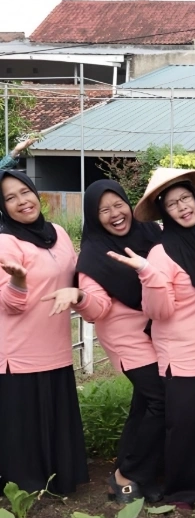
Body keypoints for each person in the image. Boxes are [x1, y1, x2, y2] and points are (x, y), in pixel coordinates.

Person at [111, 168, 195, 510]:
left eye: (185, 199)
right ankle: (179, 493)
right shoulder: (160, 254)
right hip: (181, 355)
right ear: (164, 212)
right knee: (184, 427)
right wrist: (148, 275)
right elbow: (159, 311)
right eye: (172, 204)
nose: (182, 207)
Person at [53, 180, 164, 504]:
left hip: (157, 330)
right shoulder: (93, 256)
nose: (115, 214)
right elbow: (97, 309)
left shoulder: (148, 233)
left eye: (119, 204)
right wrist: (79, 295)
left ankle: (135, 473)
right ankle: (127, 475)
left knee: (144, 405)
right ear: (93, 216)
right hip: (126, 338)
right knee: (162, 400)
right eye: (104, 210)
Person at [0, 169, 88, 495]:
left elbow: (77, 274)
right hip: (18, 351)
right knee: (22, 426)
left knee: (55, 419)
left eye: (25, 191)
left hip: (56, 347)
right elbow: (9, 304)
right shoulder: (4, 240)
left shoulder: (60, 233)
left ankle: (58, 480)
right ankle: (24, 489)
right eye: (10, 198)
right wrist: (19, 281)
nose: (22, 201)